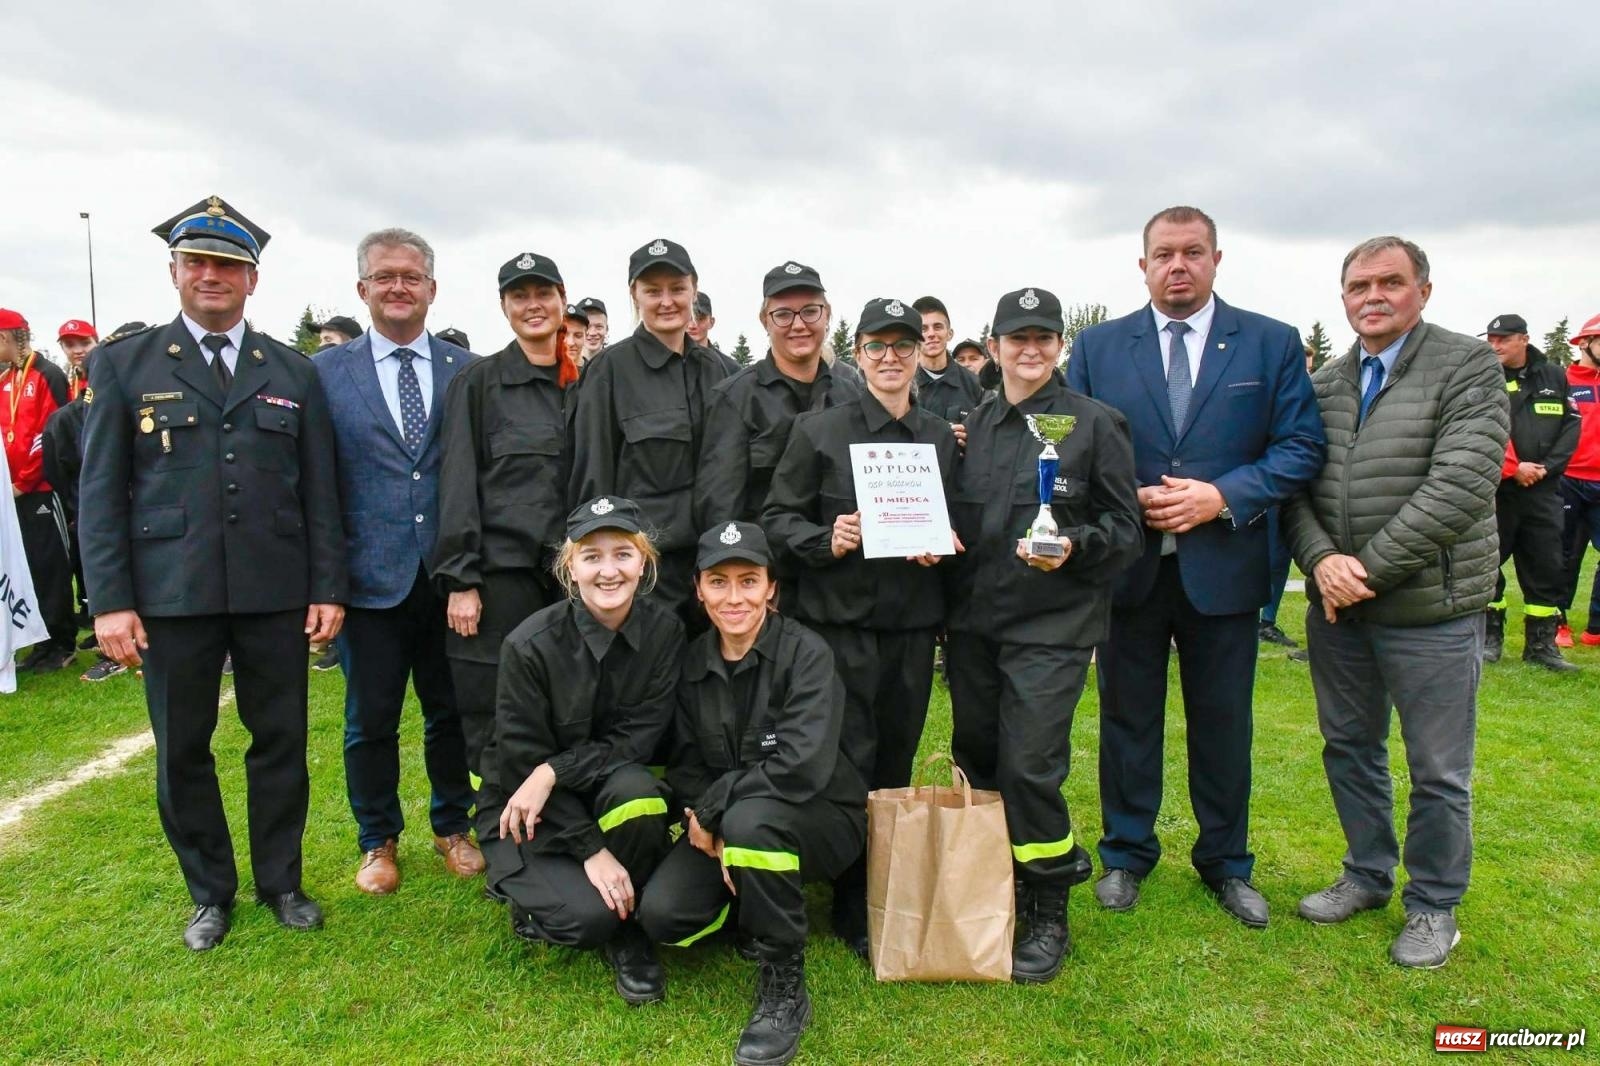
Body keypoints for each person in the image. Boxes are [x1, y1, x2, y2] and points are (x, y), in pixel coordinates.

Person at [79, 195, 346, 950]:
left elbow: (320, 488)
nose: (212, 276)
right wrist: (111, 603)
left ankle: (281, 882)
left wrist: (328, 585)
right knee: (184, 748)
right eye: (197, 262)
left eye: (228, 265)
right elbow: (100, 494)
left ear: (253, 281)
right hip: (173, 595)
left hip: (273, 590)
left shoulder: (294, 370)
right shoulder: (125, 365)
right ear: (174, 272)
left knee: (281, 740)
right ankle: (209, 892)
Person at [1065, 205, 1324, 928]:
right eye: (1163, 254)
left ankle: (1226, 863)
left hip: (1226, 568)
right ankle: (1125, 853)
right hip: (1130, 571)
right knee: (1126, 719)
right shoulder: (1099, 347)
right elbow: (1073, 454)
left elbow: (1300, 448)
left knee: (1222, 723)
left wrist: (1221, 496)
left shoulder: (1269, 344)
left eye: (1192, 252)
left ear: (1216, 259)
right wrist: (1122, 502)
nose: (1177, 265)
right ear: (1141, 264)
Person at [1283, 235, 1509, 969]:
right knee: (1350, 748)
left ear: (1424, 290)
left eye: (1390, 282)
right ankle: (1367, 874)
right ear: (1343, 298)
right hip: (1342, 613)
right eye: (1358, 286)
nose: (1372, 296)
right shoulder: (1323, 385)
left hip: (1431, 611)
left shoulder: (1468, 366)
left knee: (1438, 769)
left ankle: (1434, 905)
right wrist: (1321, 562)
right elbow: (1296, 490)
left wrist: (1366, 570)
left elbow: (1463, 482)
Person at [947, 285, 1142, 982]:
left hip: (1052, 628)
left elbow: (1127, 531)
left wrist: (1077, 546)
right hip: (973, 627)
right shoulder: (971, 426)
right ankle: (996, 883)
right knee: (979, 757)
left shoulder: (1094, 425)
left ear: (1060, 346)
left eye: (1043, 338)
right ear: (993, 346)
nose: (1030, 350)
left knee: (1031, 766)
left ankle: (1049, 903)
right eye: (1016, 338)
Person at [762, 296, 958, 956]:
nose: (892, 358)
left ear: (919, 352)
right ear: (859, 354)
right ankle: (846, 893)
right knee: (843, 761)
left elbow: (953, 518)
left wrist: (944, 540)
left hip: (909, 626)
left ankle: (882, 879)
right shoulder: (819, 431)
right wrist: (829, 536)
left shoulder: (937, 434)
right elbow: (778, 522)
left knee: (895, 757)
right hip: (836, 627)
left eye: (904, 346)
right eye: (878, 346)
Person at [637, 521, 865, 1066]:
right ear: (698, 589)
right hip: (729, 821)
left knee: (751, 824)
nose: (734, 597)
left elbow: (802, 767)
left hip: (823, 819)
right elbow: (688, 763)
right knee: (663, 916)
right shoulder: (693, 662)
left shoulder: (806, 654)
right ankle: (751, 903)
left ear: (771, 588)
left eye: (748, 581)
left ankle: (784, 982)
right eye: (719, 582)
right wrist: (699, 810)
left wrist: (717, 811)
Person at [315, 227, 481, 895]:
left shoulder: (466, 371)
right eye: (384, 277)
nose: (398, 287)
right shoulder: (323, 373)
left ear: (432, 289)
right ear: (362, 289)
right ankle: (377, 839)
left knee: (450, 711)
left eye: (411, 276)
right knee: (370, 718)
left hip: (446, 578)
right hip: (367, 578)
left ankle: (453, 825)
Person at [490, 497, 681, 1005]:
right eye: (591, 556)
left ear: (645, 562)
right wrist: (589, 849)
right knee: (583, 921)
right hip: (529, 806)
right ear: (569, 567)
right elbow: (518, 764)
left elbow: (638, 740)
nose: (608, 570)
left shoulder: (666, 632)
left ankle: (632, 933)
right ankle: (541, 890)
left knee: (639, 793)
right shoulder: (528, 645)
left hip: (604, 783)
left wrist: (555, 769)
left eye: (623, 553)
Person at [433, 251, 580, 851]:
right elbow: (458, 483)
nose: (533, 305)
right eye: (519, 296)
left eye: (543, 292)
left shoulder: (587, 382)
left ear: (562, 300)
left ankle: (557, 826)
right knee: (493, 711)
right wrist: (460, 579)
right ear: (504, 307)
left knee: (564, 704)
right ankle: (498, 834)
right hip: (501, 579)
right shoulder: (480, 382)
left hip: (573, 581)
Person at [569, 239, 732, 629]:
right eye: (652, 291)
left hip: (714, 569)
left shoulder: (721, 371)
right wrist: (606, 569)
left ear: (694, 289)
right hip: (644, 575)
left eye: (677, 289)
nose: (667, 301)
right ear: (634, 295)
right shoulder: (609, 371)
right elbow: (593, 476)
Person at [693, 261, 860, 548]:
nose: (798, 325)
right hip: (770, 575)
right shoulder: (735, 398)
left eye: (810, 311)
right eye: (783, 314)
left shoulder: (851, 397)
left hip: (840, 576)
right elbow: (721, 512)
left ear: (827, 315)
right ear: (765, 321)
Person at [1480, 314, 1581, 671]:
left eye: (1502, 340)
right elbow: (1481, 427)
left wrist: (1545, 468)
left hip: (1543, 489)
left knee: (1547, 564)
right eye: (1490, 339)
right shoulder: (1482, 374)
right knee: (1487, 563)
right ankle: (1488, 639)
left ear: (1523, 339)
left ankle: (1541, 644)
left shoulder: (1553, 375)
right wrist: (1513, 469)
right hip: (1498, 489)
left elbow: (1571, 426)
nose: (1494, 346)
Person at [1, 308, 76, 674]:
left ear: (5, 338)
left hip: (42, 489)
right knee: (26, 568)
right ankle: (40, 643)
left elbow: (50, 435)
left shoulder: (48, 375)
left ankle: (62, 643)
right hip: (13, 491)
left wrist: (24, 481)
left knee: (50, 567)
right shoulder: (4, 382)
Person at [1559, 314, 1600, 646]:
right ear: (1585, 342)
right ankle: (1559, 623)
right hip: (1569, 480)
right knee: (1565, 553)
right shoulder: (1563, 381)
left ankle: (1595, 629)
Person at [911, 295, 984, 427]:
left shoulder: (974, 384)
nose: (931, 334)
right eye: (923, 329)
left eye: (938, 327)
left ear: (949, 333)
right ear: (913, 336)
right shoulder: (903, 383)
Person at [57, 319, 97, 402]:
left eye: (85, 343)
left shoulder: (108, 376)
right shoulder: (69, 380)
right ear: (62, 348)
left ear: (97, 343)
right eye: (69, 345)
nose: (78, 351)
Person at [577, 296, 608, 366]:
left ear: (606, 329)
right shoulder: (563, 367)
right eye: (587, 327)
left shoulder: (615, 365)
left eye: (599, 327)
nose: (592, 333)